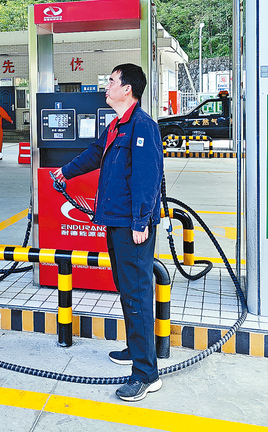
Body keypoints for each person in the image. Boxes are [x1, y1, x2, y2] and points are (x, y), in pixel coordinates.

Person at [54, 64, 164, 402]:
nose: (107, 86)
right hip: (116, 220)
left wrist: (141, 222)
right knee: (127, 288)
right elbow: (94, 154)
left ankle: (146, 374)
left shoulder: (142, 126)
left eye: (112, 81)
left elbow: (148, 177)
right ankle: (137, 349)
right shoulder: (117, 125)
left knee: (137, 293)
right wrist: (65, 171)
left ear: (127, 89)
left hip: (132, 225)